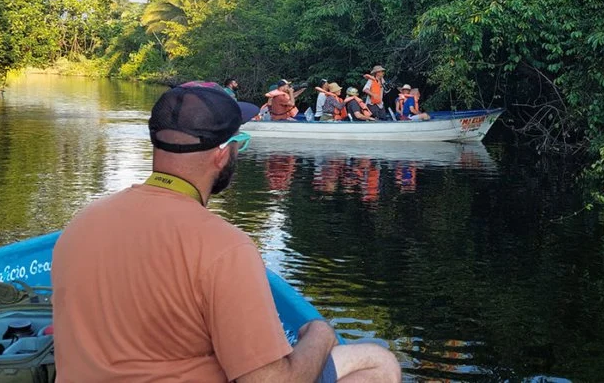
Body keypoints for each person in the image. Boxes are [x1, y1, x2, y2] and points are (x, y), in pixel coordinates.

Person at [51, 83, 401, 383]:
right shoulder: (223, 247)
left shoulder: (82, 223)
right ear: (222, 154)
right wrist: (321, 334)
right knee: (378, 361)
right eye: (240, 142)